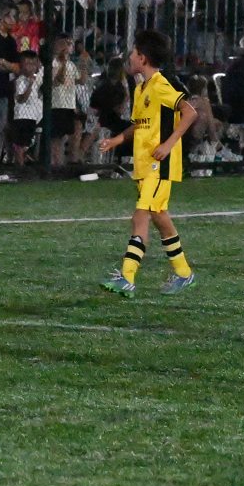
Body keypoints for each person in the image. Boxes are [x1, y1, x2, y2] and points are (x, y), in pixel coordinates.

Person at [98, 29, 198, 297]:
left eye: (132, 53)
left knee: (140, 217)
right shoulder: (142, 88)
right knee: (160, 218)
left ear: (142, 58)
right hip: (144, 166)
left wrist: (168, 144)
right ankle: (183, 272)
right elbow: (138, 125)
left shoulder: (161, 85)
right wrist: (117, 140)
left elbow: (189, 112)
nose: (129, 57)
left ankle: (127, 276)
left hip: (158, 166)